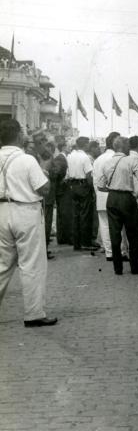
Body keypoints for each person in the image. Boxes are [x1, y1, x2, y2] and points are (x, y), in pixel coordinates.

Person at [0, 119, 58, 327]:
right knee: (32, 264)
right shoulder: (26, 160)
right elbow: (44, 189)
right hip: (25, 211)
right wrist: (44, 168)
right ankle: (34, 313)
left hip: (1, 212)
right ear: (17, 135)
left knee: (2, 264)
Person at [99, 137, 138, 275]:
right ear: (124, 146)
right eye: (127, 145)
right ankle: (136, 268)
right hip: (127, 198)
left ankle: (117, 268)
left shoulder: (107, 163)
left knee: (114, 234)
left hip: (112, 198)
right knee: (134, 234)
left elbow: (100, 186)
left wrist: (112, 190)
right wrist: (137, 194)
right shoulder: (131, 160)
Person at [92, 132, 127, 262]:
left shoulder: (98, 159)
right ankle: (121, 251)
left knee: (104, 225)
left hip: (100, 195)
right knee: (119, 225)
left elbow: (95, 179)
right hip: (114, 194)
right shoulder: (116, 157)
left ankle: (109, 252)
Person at [66, 136, 97, 251]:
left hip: (73, 186)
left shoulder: (70, 156)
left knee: (76, 215)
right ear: (84, 145)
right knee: (85, 215)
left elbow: (68, 173)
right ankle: (86, 242)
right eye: (87, 144)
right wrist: (92, 189)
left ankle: (77, 243)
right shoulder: (85, 157)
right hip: (83, 186)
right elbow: (89, 175)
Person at [53, 136, 72, 245]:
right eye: (68, 145)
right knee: (65, 213)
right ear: (64, 147)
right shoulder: (60, 158)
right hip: (63, 190)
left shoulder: (62, 157)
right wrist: (63, 180)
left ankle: (62, 237)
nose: (70, 147)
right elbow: (57, 173)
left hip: (62, 190)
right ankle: (65, 237)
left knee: (62, 213)